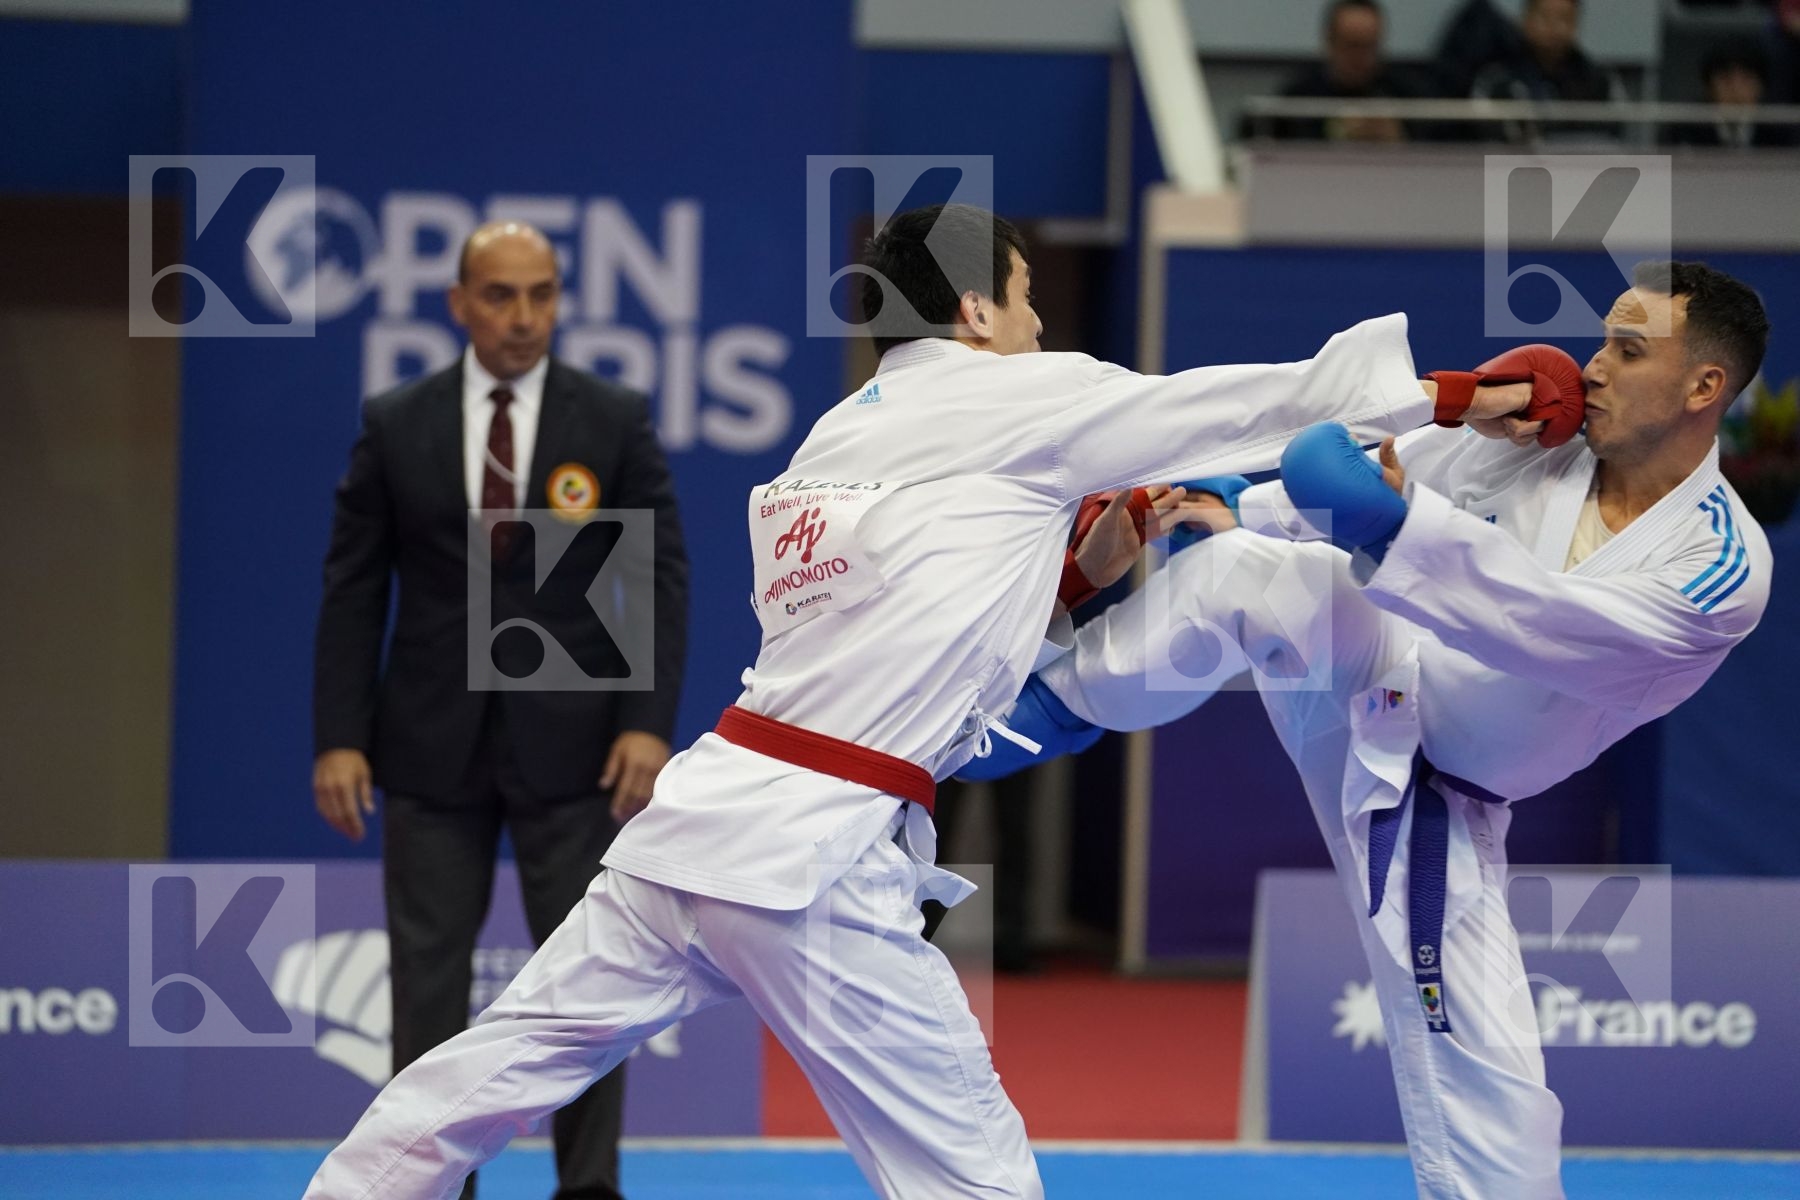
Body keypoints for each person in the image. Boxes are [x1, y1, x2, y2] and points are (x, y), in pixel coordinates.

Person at [302, 202, 1548, 1200]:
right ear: (974, 309)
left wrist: (1071, 570)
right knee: (973, 1175)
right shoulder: (1019, 394)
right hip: (814, 865)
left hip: (691, 832)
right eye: (1024, 294)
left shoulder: (826, 447)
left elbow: (897, 627)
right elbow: (1247, 406)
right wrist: (1449, 396)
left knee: (480, 1077)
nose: (1040, 316)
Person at [985, 262, 1772, 1198]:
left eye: (1627, 350)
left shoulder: (1722, 566)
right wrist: (1247, 503)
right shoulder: (1544, 447)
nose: (1592, 367)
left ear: (1704, 388)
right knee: (1250, 573)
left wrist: (1399, 525)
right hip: (1370, 670)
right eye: (1601, 341)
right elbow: (1370, 478)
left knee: (1494, 1093)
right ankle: (1024, 716)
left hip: (1443, 786)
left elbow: (1550, 630)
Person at [311, 221, 689, 1200]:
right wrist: (340, 736)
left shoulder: (610, 416)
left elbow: (650, 577)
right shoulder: (400, 422)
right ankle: (435, 1189)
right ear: (460, 301)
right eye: (501, 295)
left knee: (589, 992)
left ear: (559, 299)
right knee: (426, 993)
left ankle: (589, 1188)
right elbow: (354, 587)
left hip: (578, 751)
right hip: (430, 746)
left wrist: (647, 721)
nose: (523, 317)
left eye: (542, 294)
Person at [1251, 0, 1423, 143]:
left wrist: (1398, 139)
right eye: (1352, 45)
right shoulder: (1298, 98)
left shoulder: (1405, 96)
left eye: (1370, 46)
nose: (1360, 57)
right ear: (1330, 43)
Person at [1471, 0, 1626, 143]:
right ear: (1525, 19)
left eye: (1565, 19)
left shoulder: (1599, 80)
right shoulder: (1496, 79)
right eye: (1545, 18)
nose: (1555, 29)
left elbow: (1612, 133)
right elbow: (1485, 134)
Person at [1666, 42, 1793, 149]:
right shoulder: (1684, 128)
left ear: (1762, 86)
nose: (1736, 90)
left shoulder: (1780, 132)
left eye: (1746, 80)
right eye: (1726, 80)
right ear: (1709, 86)